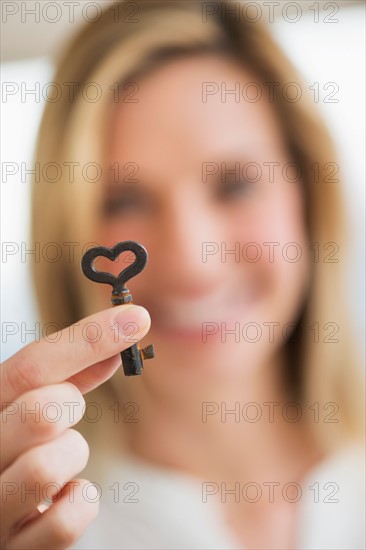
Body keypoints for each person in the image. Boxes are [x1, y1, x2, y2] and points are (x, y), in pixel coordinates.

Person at [1, 1, 364, 549]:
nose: (194, 261)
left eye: (236, 184)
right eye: (124, 199)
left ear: (309, 196)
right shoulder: (43, 525)